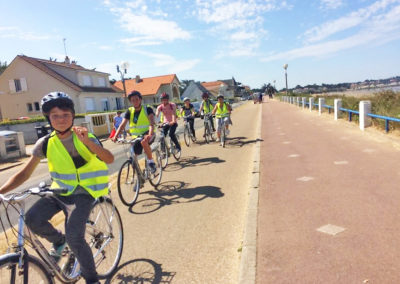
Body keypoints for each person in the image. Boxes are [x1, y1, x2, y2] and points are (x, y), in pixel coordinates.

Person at [0, 92, 114, 284]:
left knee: (75, 237)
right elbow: (24, 173)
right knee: (32, 219)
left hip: (85, 193)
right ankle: (58, 241)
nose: (61, 120)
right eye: (55, 116)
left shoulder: (85, 136)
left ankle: (92, 279)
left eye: (65, 115)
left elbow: (109, 158)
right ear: (48, 118)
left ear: (72, 116)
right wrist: (1, 191)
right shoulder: (45, 143)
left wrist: (87, 142)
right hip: (59, 192)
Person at [112, 90, 157, 173]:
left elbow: (151, 123)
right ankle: (139, 177)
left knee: (144, 141)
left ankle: (151, 162)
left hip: (148, 133)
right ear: (130, 101)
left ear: (140, 99)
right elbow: (122, 125)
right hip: (136, 137)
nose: (135, 102)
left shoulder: (147, 109)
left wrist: (149, 134)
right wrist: (115, 136)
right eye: (133, 100)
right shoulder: (129, 111)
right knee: (132, 156)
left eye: (136, 99)